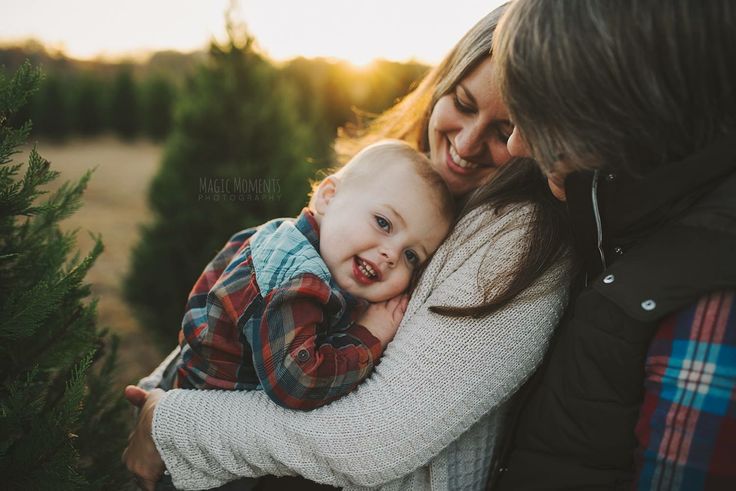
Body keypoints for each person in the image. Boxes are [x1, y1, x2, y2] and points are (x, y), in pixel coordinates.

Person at [124, 4, 572, 490]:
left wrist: (171, 420)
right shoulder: (396, 181)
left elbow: (371, 437)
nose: (465, 142)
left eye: (503, 130)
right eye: (462, 104)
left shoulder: (518, 237)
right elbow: (233, 309)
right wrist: (160, 394)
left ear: (536, 137)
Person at [488, 0, 736, 489]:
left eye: (540, 118)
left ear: (623, 112)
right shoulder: (628, 223)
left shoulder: (712, 300)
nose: (516, 146)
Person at [171, 140, 454, 412]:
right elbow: (299, 383)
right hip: (204, 412)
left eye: (411, 256)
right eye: (383, 223)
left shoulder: (304, 248)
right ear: (328, 196)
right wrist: (369, 335)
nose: (391, 254)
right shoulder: (295, 274)